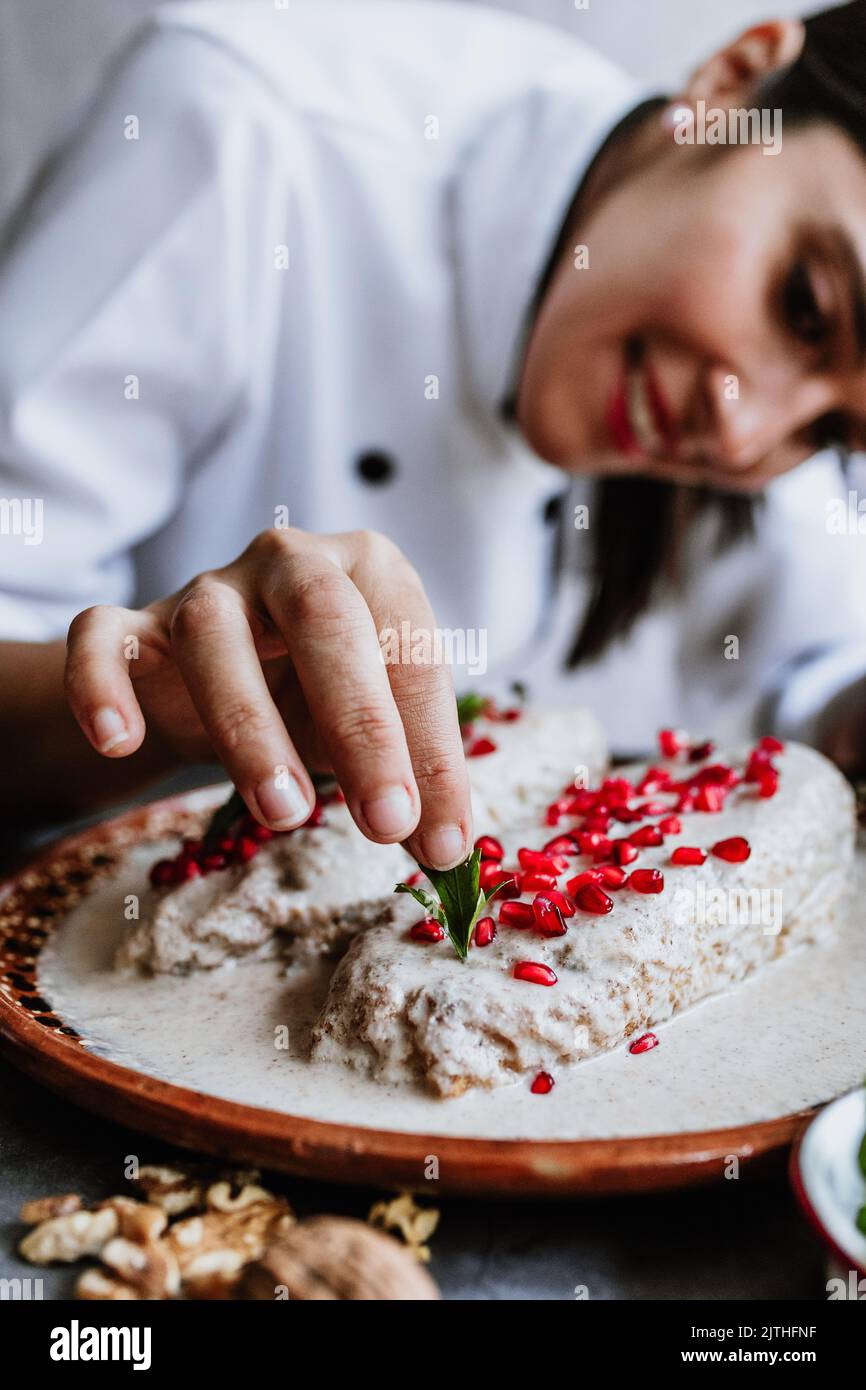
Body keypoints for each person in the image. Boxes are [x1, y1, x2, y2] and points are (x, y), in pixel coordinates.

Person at [1, 0, 865, 870]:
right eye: (803, 306)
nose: (745, 433)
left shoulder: (755, 416)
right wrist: (167, 705)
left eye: (833, 431)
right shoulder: (245, 122)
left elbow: (809, 669)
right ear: (734, 81)